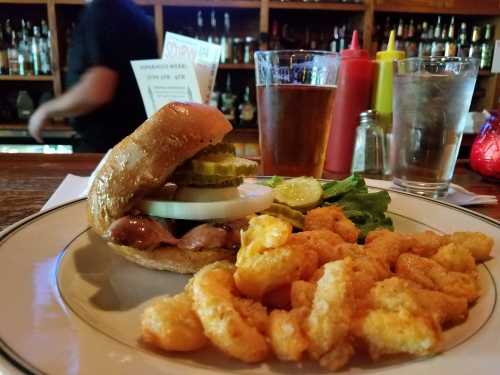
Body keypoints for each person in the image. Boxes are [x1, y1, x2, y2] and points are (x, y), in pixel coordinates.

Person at [28, 0, 157, 152]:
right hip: (133, 144)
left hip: (104, 148)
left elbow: (97, 90)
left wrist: (45, 110)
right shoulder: (137, 15)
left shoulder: (103, 11)